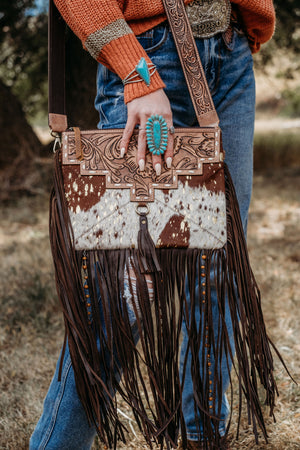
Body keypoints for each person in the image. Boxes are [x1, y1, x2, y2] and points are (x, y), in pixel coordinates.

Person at [30, 0, 276, 449]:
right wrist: (135, 71)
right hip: (152, 58)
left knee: (216, 274)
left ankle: (204, 439)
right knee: (124, 290)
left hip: (230, 50)